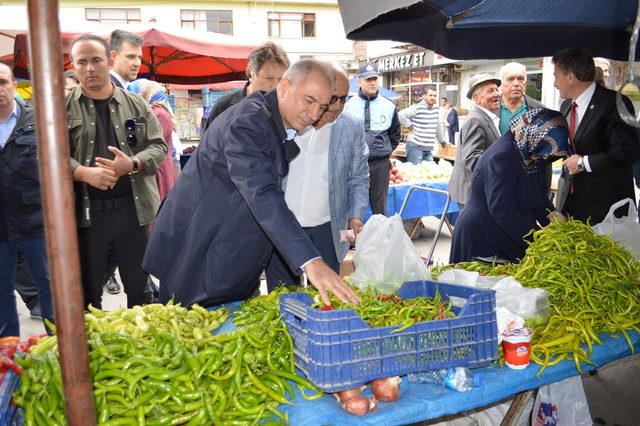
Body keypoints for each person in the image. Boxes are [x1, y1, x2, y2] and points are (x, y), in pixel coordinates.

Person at [143, 59, 360, 308]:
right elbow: (262, 193)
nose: (314, 115)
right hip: (198, 251)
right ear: (284, 86)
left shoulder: (273, 120)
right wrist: (312, 261)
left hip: (226, 251)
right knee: (193, 333)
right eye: (309, 101)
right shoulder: (248, 123)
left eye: (321, 107)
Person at [66, 34, 167, 309]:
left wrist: (131, 164)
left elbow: (158, 147)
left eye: (96, 60)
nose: (89, 68)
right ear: (73, 66)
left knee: (140, 289)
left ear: (108, 60)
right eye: (81, 62)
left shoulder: (136, 104)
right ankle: (94, 350)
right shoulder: (62, 109)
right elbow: (48, 157)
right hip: (86, 214)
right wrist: (84, 173)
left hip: (132, 211)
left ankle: (141, 345)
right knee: (87, 293)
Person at [265, 62, 369, 289]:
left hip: (327, 230)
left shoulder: (351, 127)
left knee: (325, 299)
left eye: (344, 99)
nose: (338, 106)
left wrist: (355, 215)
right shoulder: (289, 121)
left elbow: (358, 177)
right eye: (333, 98)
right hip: (285, 227)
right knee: (282, 298)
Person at [450, 108, 569, 263]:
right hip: (483, 235)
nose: (544, 157)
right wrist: (539, 238)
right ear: (532, 135)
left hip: (509, 232)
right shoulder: (501, 156)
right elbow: (502, 209)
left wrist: (551, 215)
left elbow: (536, 194)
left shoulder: (530, 150)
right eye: (543, 151)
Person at [553, 47, 639, 224]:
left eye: (556, 76)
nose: (554, 83)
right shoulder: (566, 105)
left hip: (605, 209)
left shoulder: (616, 103)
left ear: (570, 77)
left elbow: (627, 151)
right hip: (572, 205)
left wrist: (582, 163)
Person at [0, 62, 54, 336]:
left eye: (3, 82)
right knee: (1, 289)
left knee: (47, 283)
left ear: (13, 85)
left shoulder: (36, 121)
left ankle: (58, 344)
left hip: (35, 218)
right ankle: (7, 347)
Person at [102, 29, 144, 295]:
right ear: (113, 57)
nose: (137, 62)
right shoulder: (107, 92)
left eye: (139, 57)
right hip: (111, 200)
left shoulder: (128, 93)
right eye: (131, 56)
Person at [343, 63, 400, 215]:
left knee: (380, 210)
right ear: (359, 80)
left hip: (380, 165)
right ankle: (351, 239)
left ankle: (380, 238)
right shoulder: (348, 105)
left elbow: (395, 135)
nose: (373, 82)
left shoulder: (389, 105)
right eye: (368, 79)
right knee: (352, 208)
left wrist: (382, 151)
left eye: (375, 78)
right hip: (354, 165)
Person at [203, 41, 289, 132]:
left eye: (280, 79)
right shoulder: (224, 106)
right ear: (253, 72)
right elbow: (207, 144)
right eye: (269, 78)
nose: (275, 85)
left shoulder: (284, 109)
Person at [449, 73, 501, 210]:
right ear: (476, 98)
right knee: (476, 232)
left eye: (497, 89)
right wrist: (503, 165)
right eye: (490, 91)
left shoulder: (489, 117)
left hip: (478, 192)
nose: (497, 94)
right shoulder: (475, 120)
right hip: (472, 193)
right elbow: (471, 159)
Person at [130, 79, 177, 201]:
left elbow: (153, 141)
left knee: (160, 201)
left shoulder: (159, 113)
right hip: (158, 163)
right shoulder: (156, 112)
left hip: (160, 166)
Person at [398, 88, 444, 164]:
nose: (433, 98)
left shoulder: (436, 109)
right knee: (416, 173)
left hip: (428, 148)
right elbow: (400, 115)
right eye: (430, 95)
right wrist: (410, 127)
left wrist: (442, 141)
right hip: (415, 147)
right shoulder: (417, 107)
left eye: (435, 96)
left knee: (429, 172)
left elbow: (437, 126)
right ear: (424, 96)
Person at [498, 62, 544, 135]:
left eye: (520, 79)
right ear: (501, 84)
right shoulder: (491, 108)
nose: (516, 83)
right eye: (510, 79)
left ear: (525, 83)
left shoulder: (539, 109)